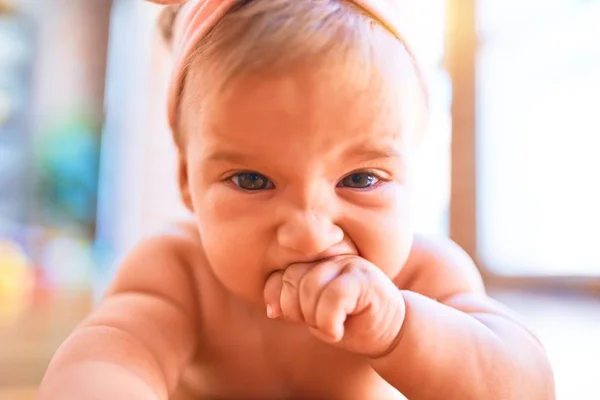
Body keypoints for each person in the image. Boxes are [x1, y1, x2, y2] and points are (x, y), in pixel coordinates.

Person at [38, 0, 555, 398]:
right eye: (252, 180)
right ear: (185, 181)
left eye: (361, 179)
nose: (310, 232)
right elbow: (108, 357)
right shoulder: (178, 272)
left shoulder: (422, 276)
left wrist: (399, 327)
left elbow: (527, 385)